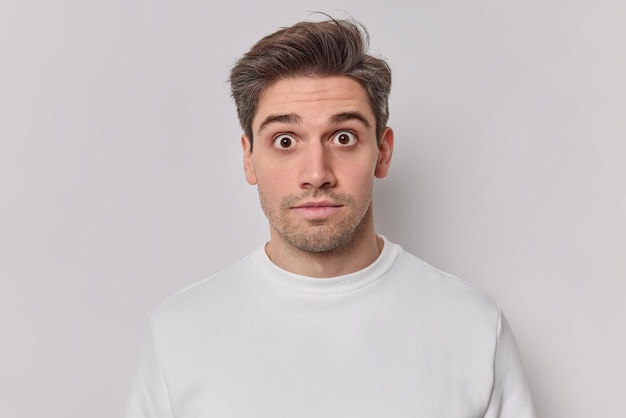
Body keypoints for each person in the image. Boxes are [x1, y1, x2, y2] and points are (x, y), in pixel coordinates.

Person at [124, 17, 537, 418]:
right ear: (249, 159)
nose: (317, 174)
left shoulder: (474, 327)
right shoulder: (179, 332)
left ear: (383, 151)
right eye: (285, 141)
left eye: (344, 137)